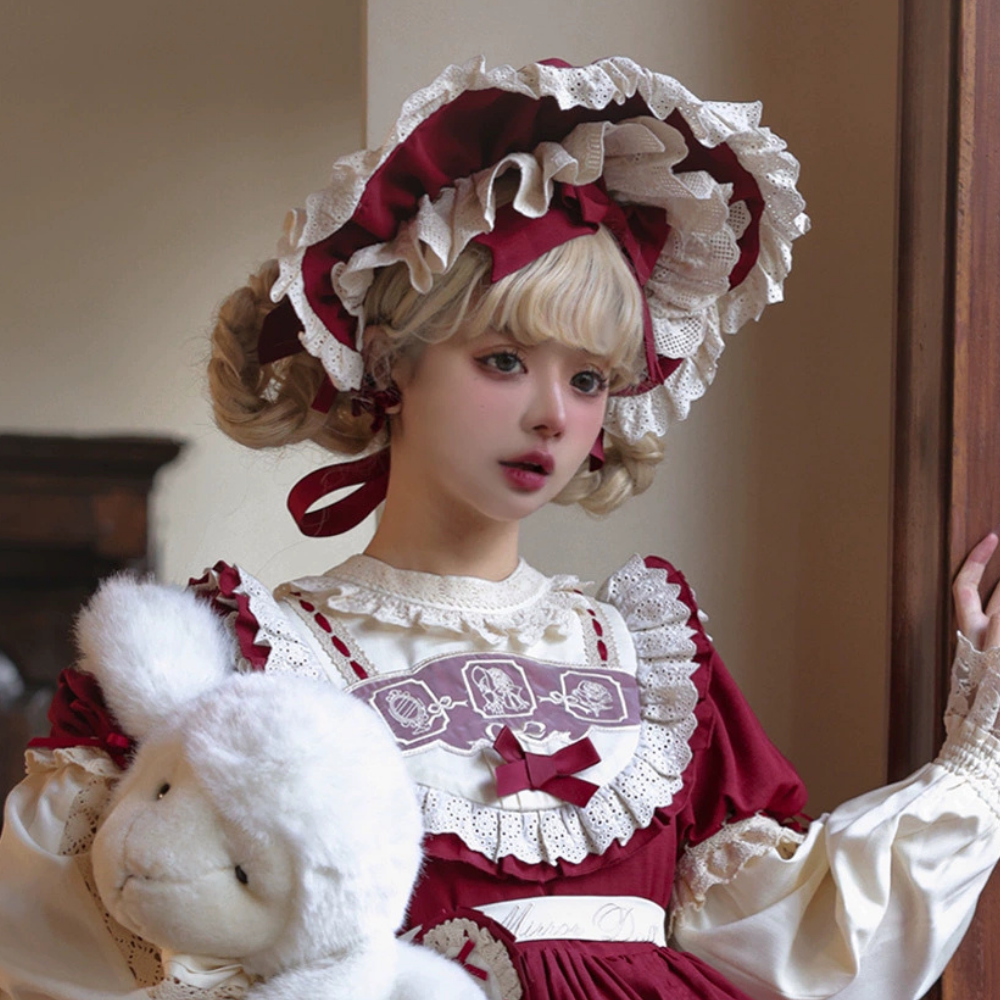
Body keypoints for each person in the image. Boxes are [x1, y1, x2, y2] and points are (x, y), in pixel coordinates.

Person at [2, 55, 999, 1000]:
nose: (552, 416)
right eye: (505, 360)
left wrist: (978, 761)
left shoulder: (647, 662)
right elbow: (77, 941)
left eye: (589, 378)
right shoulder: (249, 663)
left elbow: (795, 947)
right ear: (390, 361)